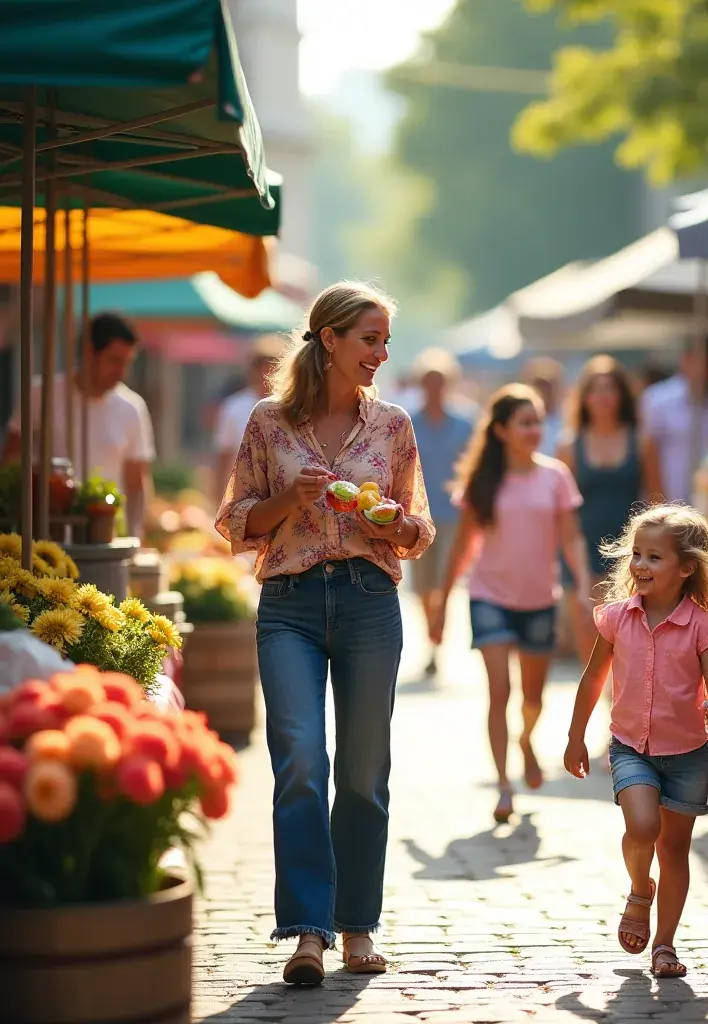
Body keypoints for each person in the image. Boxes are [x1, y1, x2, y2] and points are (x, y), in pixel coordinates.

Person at [215, 281, 435, 986]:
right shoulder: (268, 422)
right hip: (290, 602)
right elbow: (234, 521)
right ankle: (307, 931)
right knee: (302, 762)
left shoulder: (394, 425)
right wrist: (290, 500)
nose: (381, 352)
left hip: (370, 601)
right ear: (330, 340)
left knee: (365, 775)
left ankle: (356, 923)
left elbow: (420, 528)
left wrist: (391, 524)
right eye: (370, 338)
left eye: (385, 340)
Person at [563, 504, 708, 979]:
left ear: (686, 569)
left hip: (687, 756)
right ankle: (641, 891)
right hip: (631, 746)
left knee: (675, 851)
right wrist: (576, 737)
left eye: (654, 557)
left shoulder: (701, 625)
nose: (639, 565)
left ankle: (665, 945)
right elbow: (593, 677)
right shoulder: (617, 618)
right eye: (636, 554)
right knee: (641, 827)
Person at [429, 384, 590, 823]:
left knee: (532, 698)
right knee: (499, 691)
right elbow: (462, 544)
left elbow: (571, 534)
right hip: (488, 597)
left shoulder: (555, 475)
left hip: (540, 599)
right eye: (525, 422)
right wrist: (442, 602)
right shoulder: (483, 481)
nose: (535, 429)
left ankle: (526, 741)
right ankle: (503, 784)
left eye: (538, 420)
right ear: (501, 430)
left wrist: (584, 579)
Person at [4, 311, 155, 537]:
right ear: (88, 352)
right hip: (45, 532)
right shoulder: (40, 393)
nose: (121, 372)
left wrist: (135, 536)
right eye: (114, 361)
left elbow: (137, 483)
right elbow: (11, 462)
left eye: (127, 363)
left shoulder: (132, 407)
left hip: (106, 534)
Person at [557, 355, 661, 665]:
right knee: (590, 647)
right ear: (584, 397)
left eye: (610, 389)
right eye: (595, 390)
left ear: (622, 396)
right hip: (582, 550)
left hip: (632, 553)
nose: (602, 397)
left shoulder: (641, 442)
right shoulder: (568, 445)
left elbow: (657, 502)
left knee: (630, 644)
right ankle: (599, 708)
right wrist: (575, 564)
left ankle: (618, 709)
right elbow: (564, 513)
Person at [408, 349, 475, 676]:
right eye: (429, 381)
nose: (434, 387)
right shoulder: (408, 421)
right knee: (422, 586)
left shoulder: (465, 422)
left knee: (445, 581)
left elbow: (476, 466)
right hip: (418, 515)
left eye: (440, 381)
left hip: (454, 515)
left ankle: (439, 635)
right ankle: (431, 633)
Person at [640, 336, 708, 503]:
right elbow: (649, 454)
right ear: (684, 360)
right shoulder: (657, 399)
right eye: (698, 362)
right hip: (670, 504)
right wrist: (658, 504)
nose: (703, 370)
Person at [214, 334, 288, 497]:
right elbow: (224, 458)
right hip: (244, 495)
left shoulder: (293, 407)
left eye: (273, 369)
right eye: (264, 368)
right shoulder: (234, 407)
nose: (267, 376)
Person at [524, 356, 565, 457]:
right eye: (540, 385)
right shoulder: (521, 420)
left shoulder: (568, 421)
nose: (544, 391)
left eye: (548, 385)